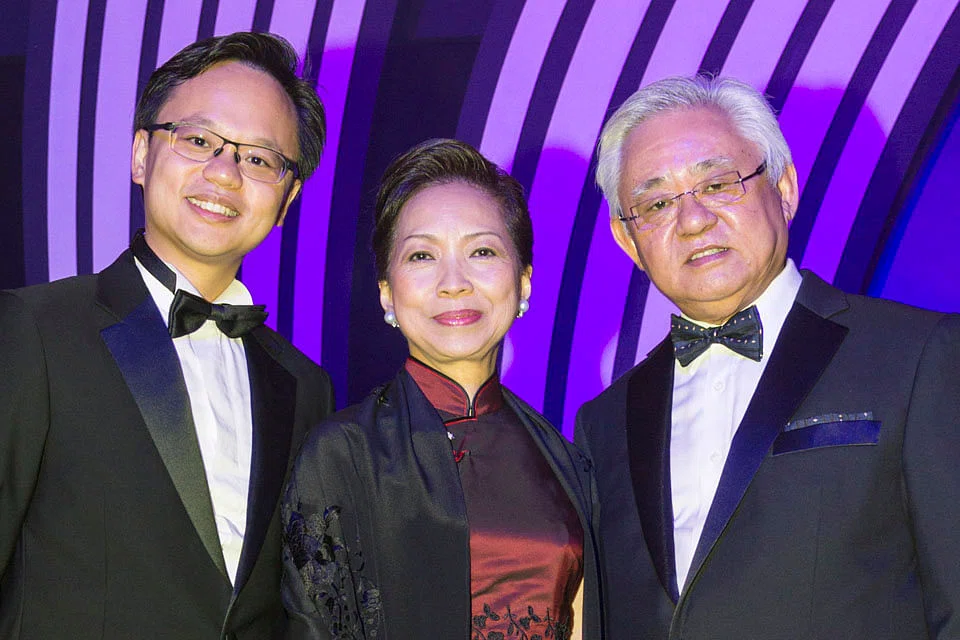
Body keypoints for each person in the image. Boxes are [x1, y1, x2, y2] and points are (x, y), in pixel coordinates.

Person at [576, 75, 960, 638]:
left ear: (784, 189)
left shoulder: (918, 356)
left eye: (717, 183)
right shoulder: (604, 421)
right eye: (657, 203)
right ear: (628, 240)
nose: (694, 220)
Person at [0, 32, 334, 639]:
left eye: (260, 159)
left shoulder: (305, 387)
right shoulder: (33, 331)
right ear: (140, 154)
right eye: (199, 140)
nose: (224, 173)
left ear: (288, 199)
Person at [281, 138, 603, 639]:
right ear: (387, 292)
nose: (454, 282)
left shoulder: (565, 461)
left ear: (523, 282)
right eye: (422, 256)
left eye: (482, 251)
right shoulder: (342, 453)